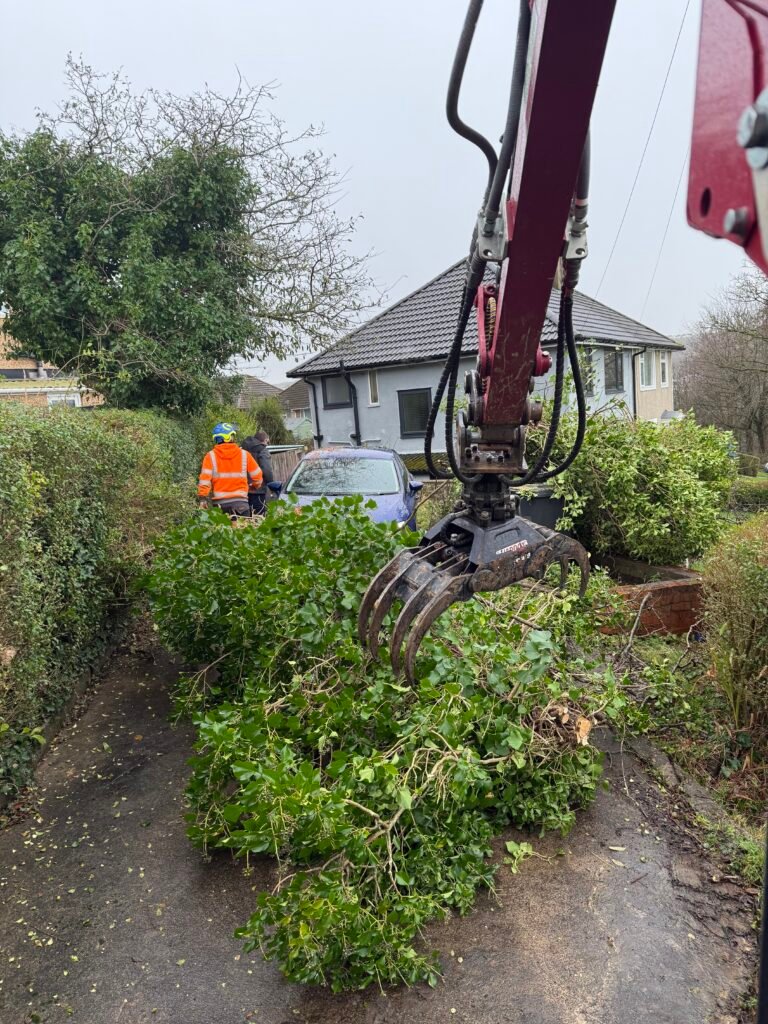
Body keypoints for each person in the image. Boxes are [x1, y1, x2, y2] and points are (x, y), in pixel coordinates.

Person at [198, 422, 263, 518]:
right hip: (241, 505)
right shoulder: (244, 454)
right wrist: (254, 486)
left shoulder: (210, 456)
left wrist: (202, 499)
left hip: (220, 506)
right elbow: (258, 477)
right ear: (229, 437)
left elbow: (204, 481)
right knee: (244, 528)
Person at [241, 430, 274, 516]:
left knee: (245, 518)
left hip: (243, 490)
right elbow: (267, 470)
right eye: (267, 442)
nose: (267, 444)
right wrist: (271, 484)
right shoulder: (262, 450)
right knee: (258, 516)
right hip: (258, 490)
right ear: (264, 440)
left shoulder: (242, 449)